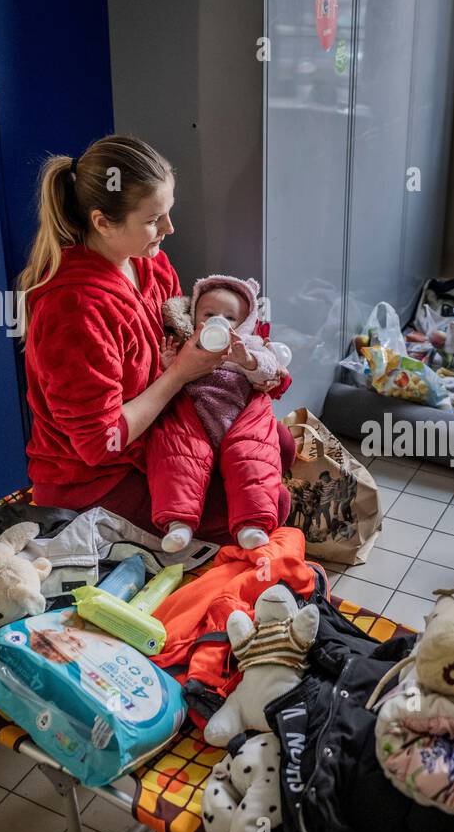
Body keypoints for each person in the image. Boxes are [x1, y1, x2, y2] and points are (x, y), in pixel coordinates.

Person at [20, 135, 290, 539]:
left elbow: (184, 340)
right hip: (98, 475)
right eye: (153, 220)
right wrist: (180, 374)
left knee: (280, 445)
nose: (169, 228)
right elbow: (100, 444)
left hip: (164, 426)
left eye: (167, 212)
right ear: (102, 222)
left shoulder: (150, 264)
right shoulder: (74, 308)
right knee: (273, 503)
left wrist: (253, 362)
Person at [155, 275, 291, 553]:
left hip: (239, 421)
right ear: (194, 318)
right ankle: (178, 523)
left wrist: (248, 360)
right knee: (177, 458)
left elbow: (270, 371)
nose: (219, 322)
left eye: (230, 317)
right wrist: (170, 363)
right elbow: (170, 379)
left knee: (253, 460)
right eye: (209, 314)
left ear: (245, 323)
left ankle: (251, 524)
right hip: (196, 421)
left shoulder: (249, 345)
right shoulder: (188, 344)